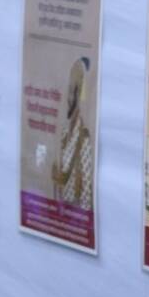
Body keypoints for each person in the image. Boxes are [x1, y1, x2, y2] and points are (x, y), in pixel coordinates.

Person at [51, 57, 93, 211]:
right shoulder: (64, 133)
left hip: (76, 211)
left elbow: (87, 187)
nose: (69, 98)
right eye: (69, 91)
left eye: (73, 91)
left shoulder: (84, 137)